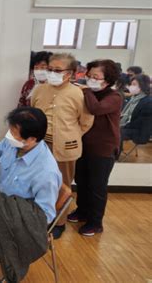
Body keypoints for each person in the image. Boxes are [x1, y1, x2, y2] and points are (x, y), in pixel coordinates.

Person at [0, 107, 62, 281]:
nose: (9, 135)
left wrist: (1, 209)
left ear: (31, 139)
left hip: (14, 222)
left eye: (13, 133)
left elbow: (42, 216)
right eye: (10, 130)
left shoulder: (46, 172)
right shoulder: (13, 143)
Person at [31, 53, 94, 239]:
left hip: (65, 148)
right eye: (50, 69)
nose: (52, 73)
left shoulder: (78, 94)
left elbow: (86, 122)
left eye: (57, 70)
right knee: (37, 183)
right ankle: (36, 219)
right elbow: (33, 114)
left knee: (62, 185)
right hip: (38, 146)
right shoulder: (39, 90)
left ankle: (59, 222)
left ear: (70, 73)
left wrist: (69, 136)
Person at [68, 60, 122, 236]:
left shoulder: (114, 97)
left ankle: (95, 222)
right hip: (84, 145)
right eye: (89, 76)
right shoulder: (88, 92)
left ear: (107, 79)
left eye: (95, 77)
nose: (90, 79)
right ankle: (82, 211)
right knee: (82, 181)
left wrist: (86, 90)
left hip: (104, 148)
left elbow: (96, 109)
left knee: (97, 186)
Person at [120, 74, 152, 153]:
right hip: (129, 126)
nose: (131, 86)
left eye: (134, 84)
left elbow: (140, 123)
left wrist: (122, 126)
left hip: (139, 131)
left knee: (114, 132)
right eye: (131, 84)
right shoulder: (133, 98)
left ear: (142, 86)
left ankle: (114, 155)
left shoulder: (148, 102)